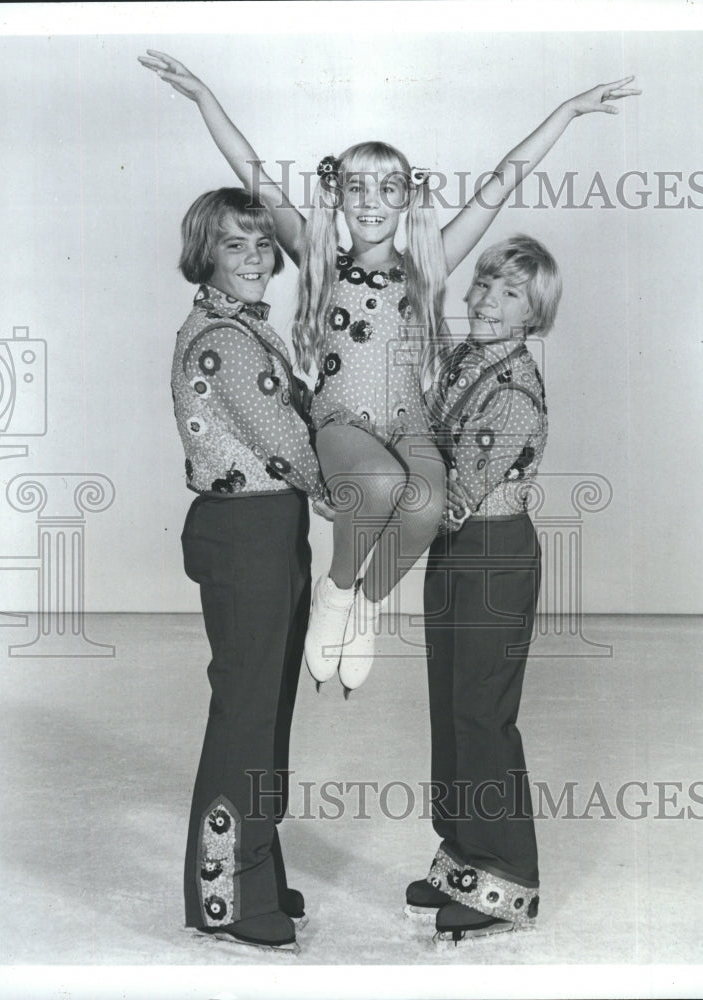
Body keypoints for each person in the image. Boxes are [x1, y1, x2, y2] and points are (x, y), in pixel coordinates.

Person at [139, 49, 639, 696]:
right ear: (339, 199)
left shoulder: (425, 266)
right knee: (374, 486)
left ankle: (369, 605)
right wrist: (207, 98)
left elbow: (502, 182)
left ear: (407, 200)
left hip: (409, 421)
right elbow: (254, 171)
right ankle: (336, 592)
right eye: (357, 189)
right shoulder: (317, 254)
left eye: (387, 189)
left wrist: (566, 112)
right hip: (342, 417)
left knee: (425, 503)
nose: (371, 203)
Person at [172, 187, 323, 952]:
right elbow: (284, 439)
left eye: (264, 243)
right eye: (236, 245)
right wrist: (348, 496)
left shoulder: (240, 327)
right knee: (247, 714)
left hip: (269, 524)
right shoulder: (225, 339)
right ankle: (227, 894)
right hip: (247, 531)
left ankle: (255, 864)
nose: (257, 257)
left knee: (266, 711)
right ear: (206, 253)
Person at [405, 235, 561, 944]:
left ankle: (508, 877)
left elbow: (456, 486)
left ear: (535, 315)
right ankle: (465, 856)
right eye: (484, 287)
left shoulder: (516, 388)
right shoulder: (465, 360)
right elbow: (423, 443)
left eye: (510, 295)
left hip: (494, 552)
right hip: (454, 549)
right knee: (451, 703)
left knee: (483, 712)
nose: (488, 303)